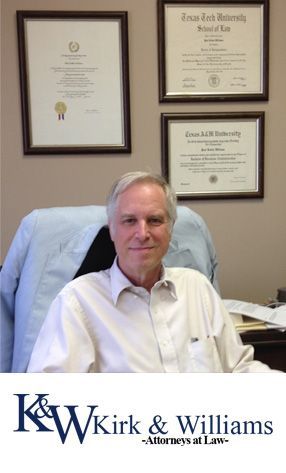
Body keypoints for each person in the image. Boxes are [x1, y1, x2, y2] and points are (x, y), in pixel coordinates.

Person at [27, 171, 273, 373]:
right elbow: (46, 403)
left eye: (155, 220)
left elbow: (240, 368)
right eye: (129, 221)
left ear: (171, 229)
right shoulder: (77, 302)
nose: (142, 233)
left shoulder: (197, 288)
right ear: (111, 229)